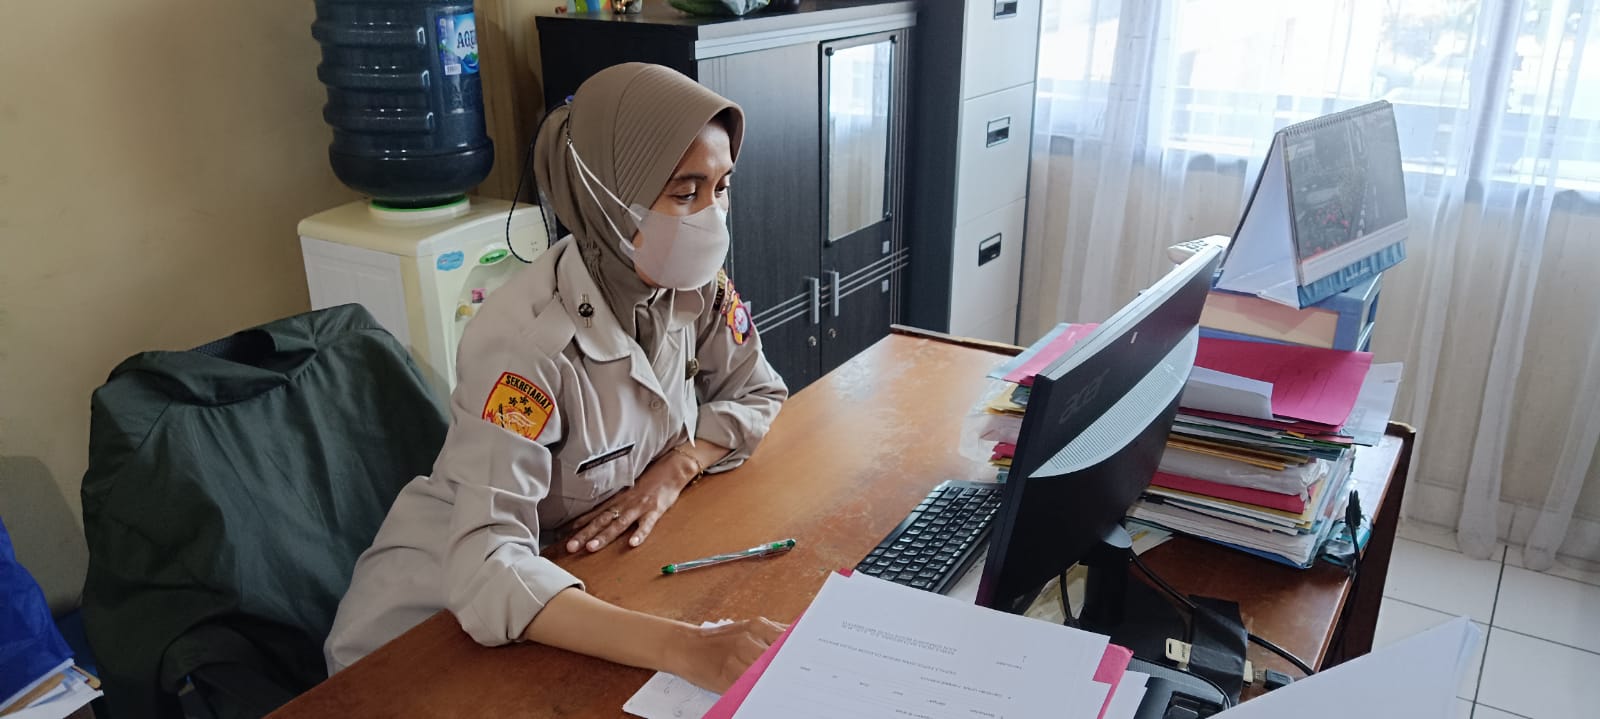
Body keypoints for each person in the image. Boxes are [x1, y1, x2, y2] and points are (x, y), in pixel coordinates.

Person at [324, 63, 789, 693]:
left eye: (722, 187)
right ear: (608, 198)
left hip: (574, 582)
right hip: (423, 632)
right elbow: (489, 563)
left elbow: (757, 391)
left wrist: (677, 468)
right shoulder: (526, 348)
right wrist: (687, 647)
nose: (713, 216)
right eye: (686, 193)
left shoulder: (693, 288)